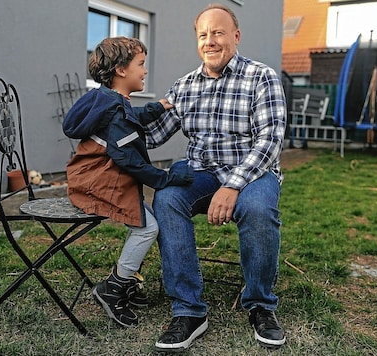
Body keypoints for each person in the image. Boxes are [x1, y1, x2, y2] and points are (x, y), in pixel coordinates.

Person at [144, 4, 287, 351]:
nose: (210, 41)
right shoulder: (184, 86)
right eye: (203, 34)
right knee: (167, 199)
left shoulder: (262, 77)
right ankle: (189, 311)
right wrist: (109, 120)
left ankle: (260, 305)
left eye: (218, 32)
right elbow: (152, 136)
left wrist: (233, 185)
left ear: (235, 37)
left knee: (257, 210)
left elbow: (270, 140)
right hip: (201, 174)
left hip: (253, 174)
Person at [62, 37, 194, 328]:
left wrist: (158, 107)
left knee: (145, 224)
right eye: (141, 64)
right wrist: (168, 178)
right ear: (121, 70)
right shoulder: (114, 110)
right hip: (97, 182)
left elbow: (130, 118)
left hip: (95, 176)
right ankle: (114, 288)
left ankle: (121, 281)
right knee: (148, 228)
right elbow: (130, 162)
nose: (145, 71)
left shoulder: (110, 101)